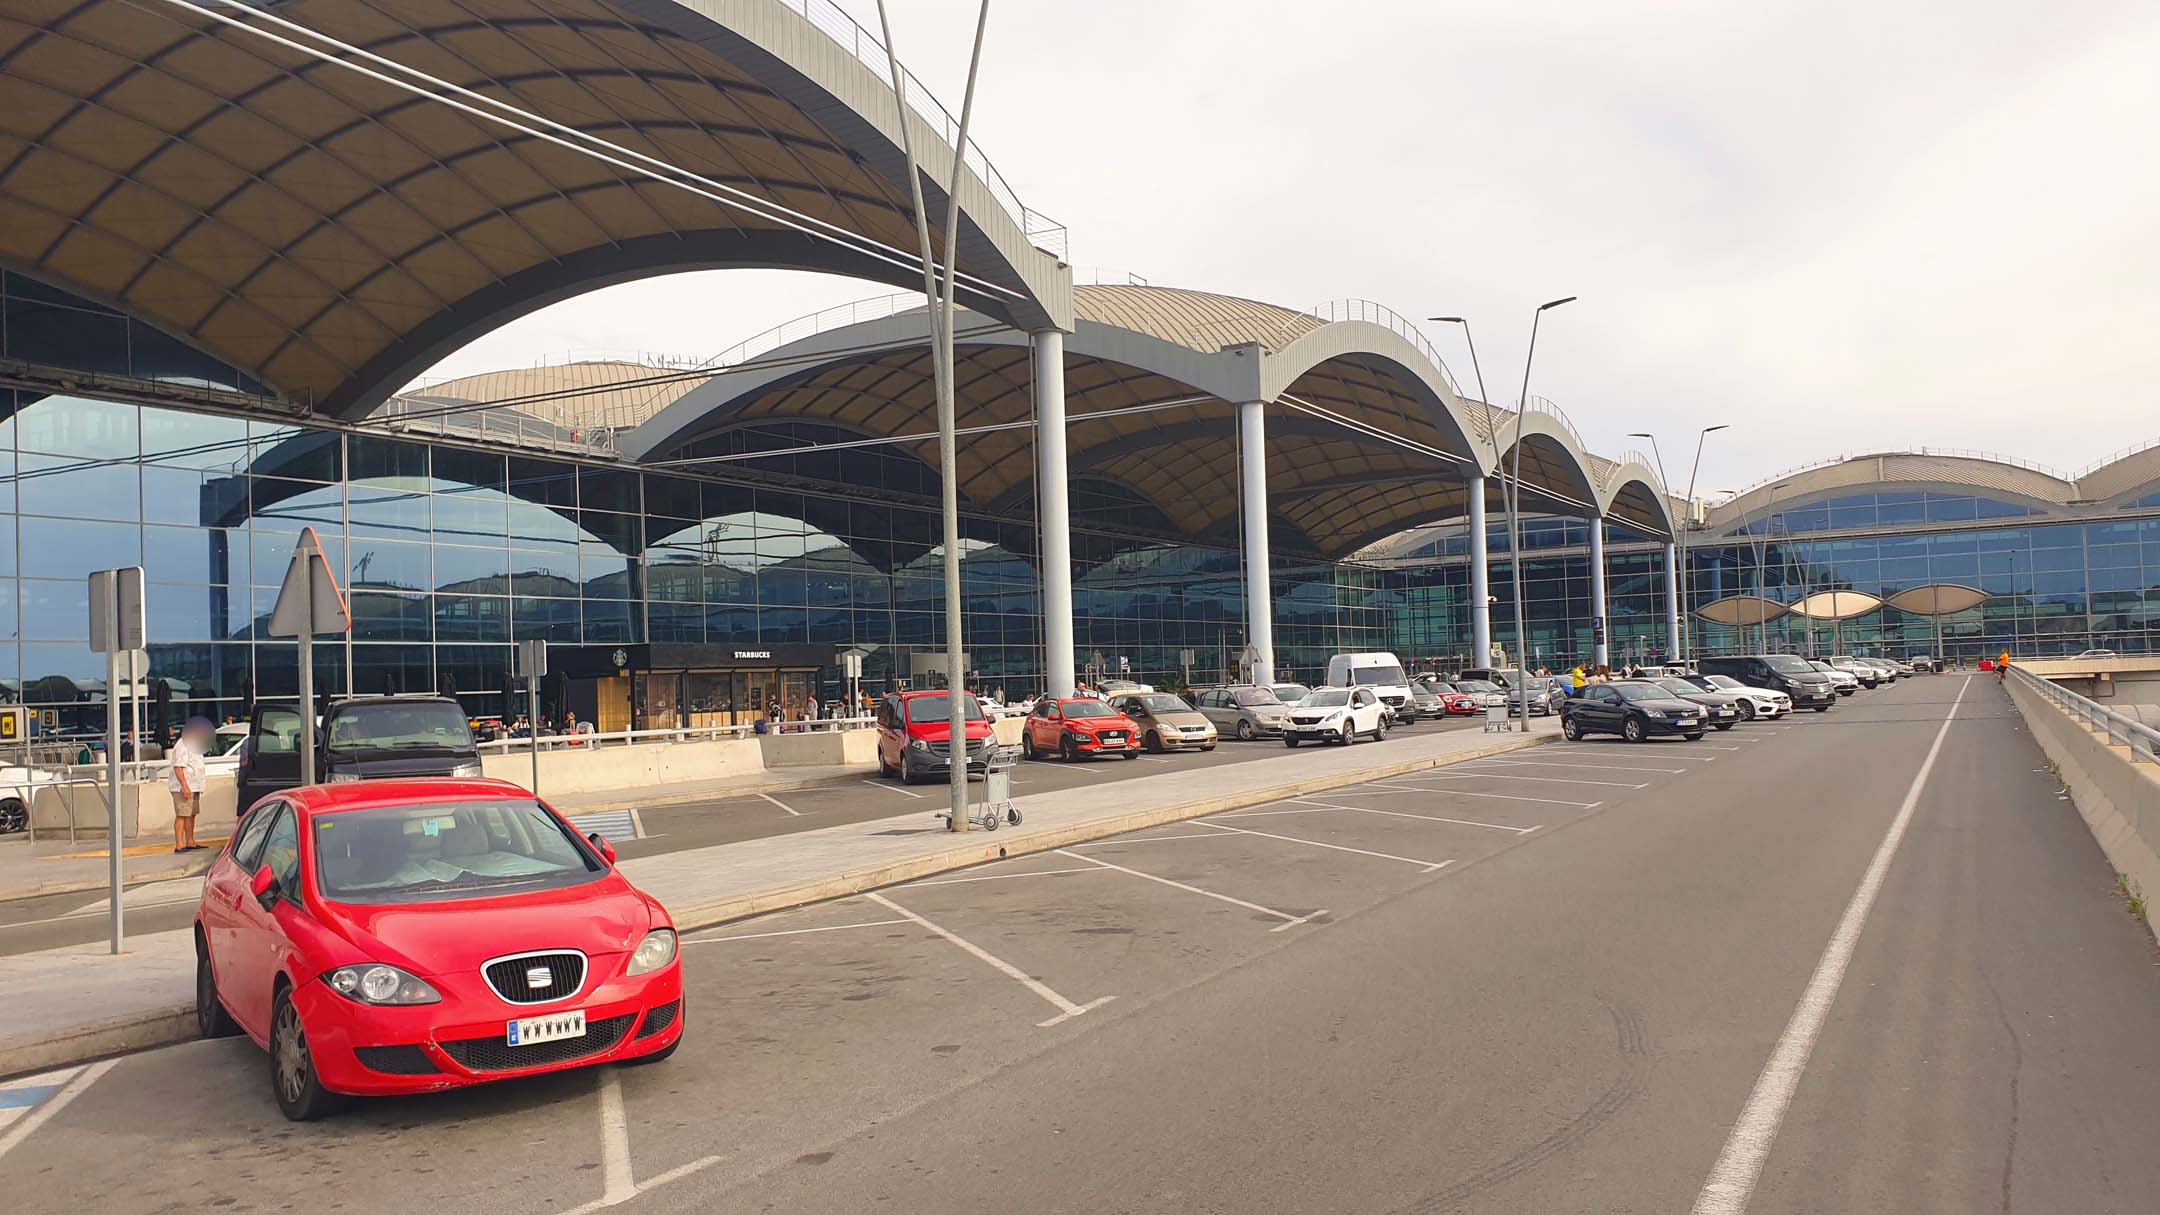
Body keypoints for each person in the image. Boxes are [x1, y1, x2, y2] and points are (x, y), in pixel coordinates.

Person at [166, 717, 212, 853]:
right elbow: (178, 767)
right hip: (183, 787)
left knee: (191, 814)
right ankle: (179, 844)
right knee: (182, 814)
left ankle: (190, 841)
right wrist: (185, 786)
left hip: (194, 786)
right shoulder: (182, 745)